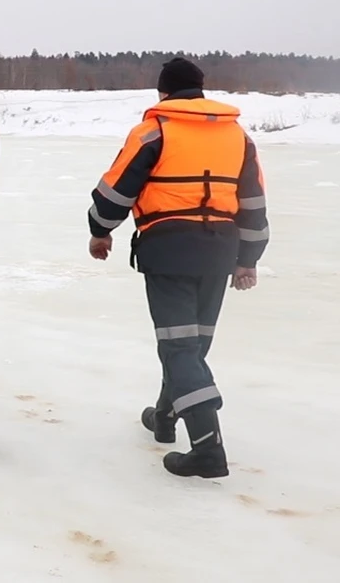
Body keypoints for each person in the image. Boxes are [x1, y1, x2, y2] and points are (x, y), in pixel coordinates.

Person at [87, 57, 270, 478]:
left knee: (179, 347)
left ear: (163, 92)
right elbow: (254, 203)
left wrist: (100, 230)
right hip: (220, 250)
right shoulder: (237, 137)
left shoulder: (155, 129)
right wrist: (249, 258)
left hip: (168, 248)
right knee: (192, 344)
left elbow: (115, 191)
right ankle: (166, 416)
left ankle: (207, 447)